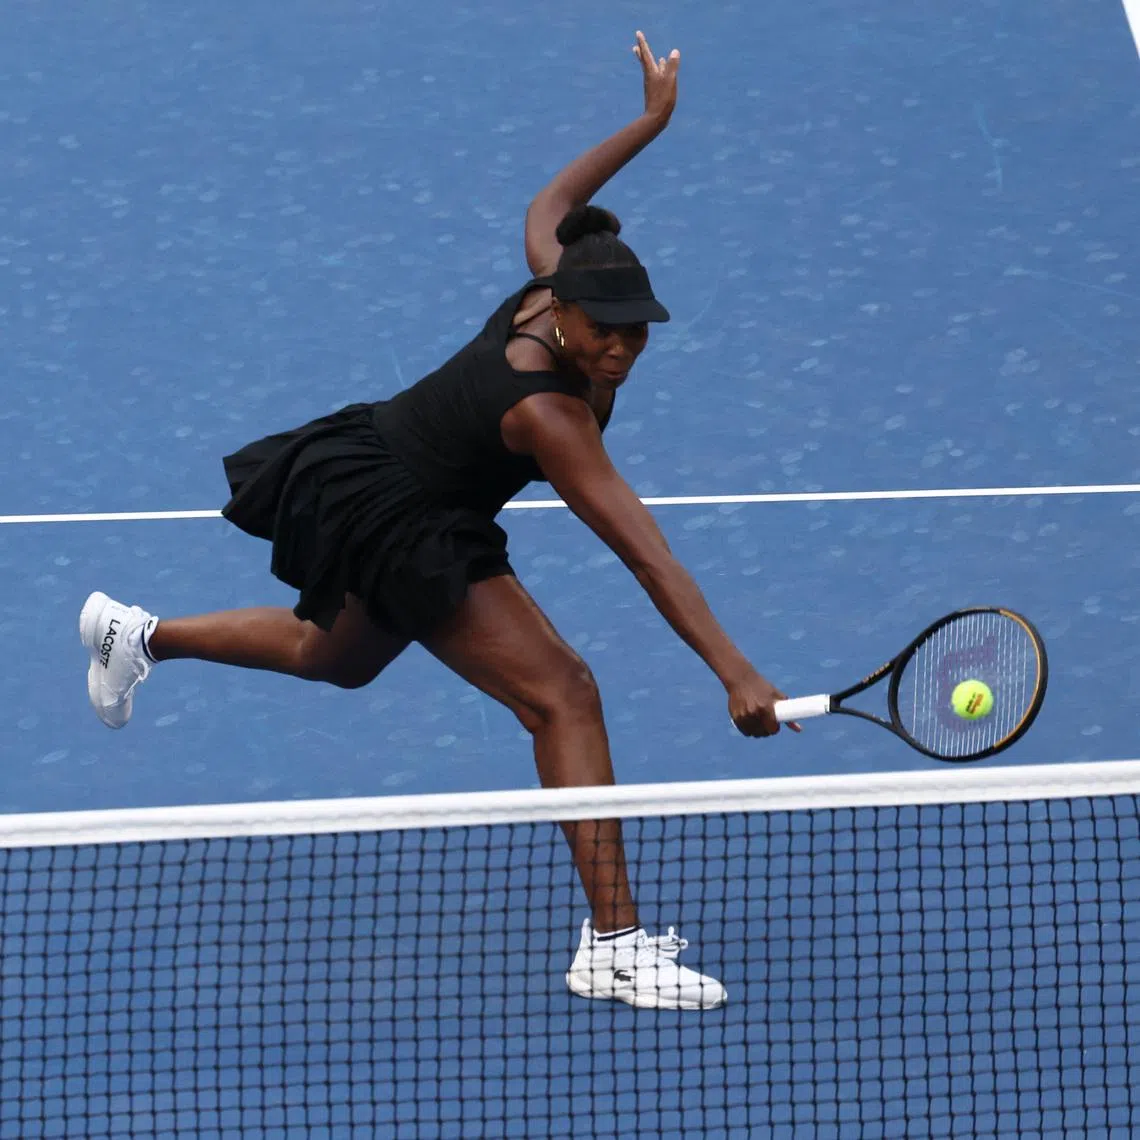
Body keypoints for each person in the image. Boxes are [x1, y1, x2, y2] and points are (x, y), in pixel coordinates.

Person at [80, 31, 793, 1011]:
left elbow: (548, 206)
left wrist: (650, 120)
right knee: (563, 695)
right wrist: (734, 670)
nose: (624, 350)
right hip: (409, 515)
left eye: (638, 334)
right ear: (567, 313)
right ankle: (614, 944)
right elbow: (647, 556)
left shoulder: (556, 275)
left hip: (385, 468)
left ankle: (137, 635)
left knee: (330, 655)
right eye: (608, 333)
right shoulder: (549, 415)